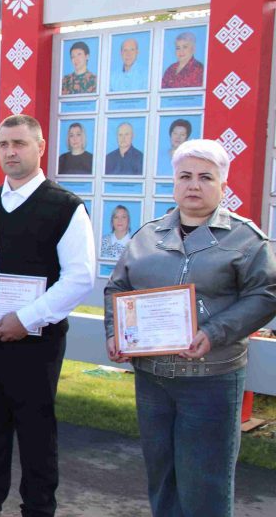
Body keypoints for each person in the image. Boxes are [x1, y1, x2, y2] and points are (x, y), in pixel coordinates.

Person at [104, 139, 276, 517]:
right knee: (162, 477)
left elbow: (266, 294)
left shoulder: (246, 239)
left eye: (205, 177)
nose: (194, 185)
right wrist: (115, 333)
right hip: (152, 376)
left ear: (222, 186)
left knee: (204, 484)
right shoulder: (148, 235)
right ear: (174, 183)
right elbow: (118, 287)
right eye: (185, 176)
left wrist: (214, 333)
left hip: (210, 380)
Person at [0, 115, 95, 517]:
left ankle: (38, 508)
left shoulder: (65, 207)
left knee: (36, 431)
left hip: (38, 342)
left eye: (19, 143)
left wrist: (27, 318)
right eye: (3, 145)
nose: (10, 152)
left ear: (40, 148)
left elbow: (80, 277)